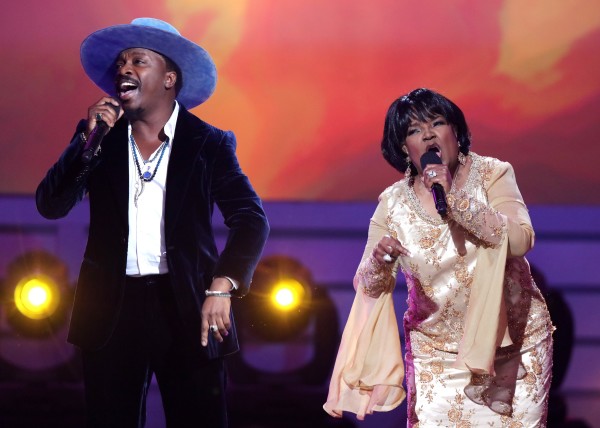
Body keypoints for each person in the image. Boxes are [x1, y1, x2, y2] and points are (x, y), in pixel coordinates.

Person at [36, 18, 269, 427]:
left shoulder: (209, 143)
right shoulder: (98, 138)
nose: (124, 69)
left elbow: (251, 220)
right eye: (121, 62)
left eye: (138, 61)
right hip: (111, 307)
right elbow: (51, 206)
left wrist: (223, 286)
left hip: (186, 305)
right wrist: (85, 145)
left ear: (168, 77)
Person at [324, 88, 554, 426]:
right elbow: (367, 285)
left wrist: (455, 198)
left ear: (456, 133)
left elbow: (520, 241)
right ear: (405, 148)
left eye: (437, 122)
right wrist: (381, 259)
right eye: (415, 130)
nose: (429, 134)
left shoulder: (493, 174)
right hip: (437, 356)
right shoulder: (393, 204)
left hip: (513, 347)